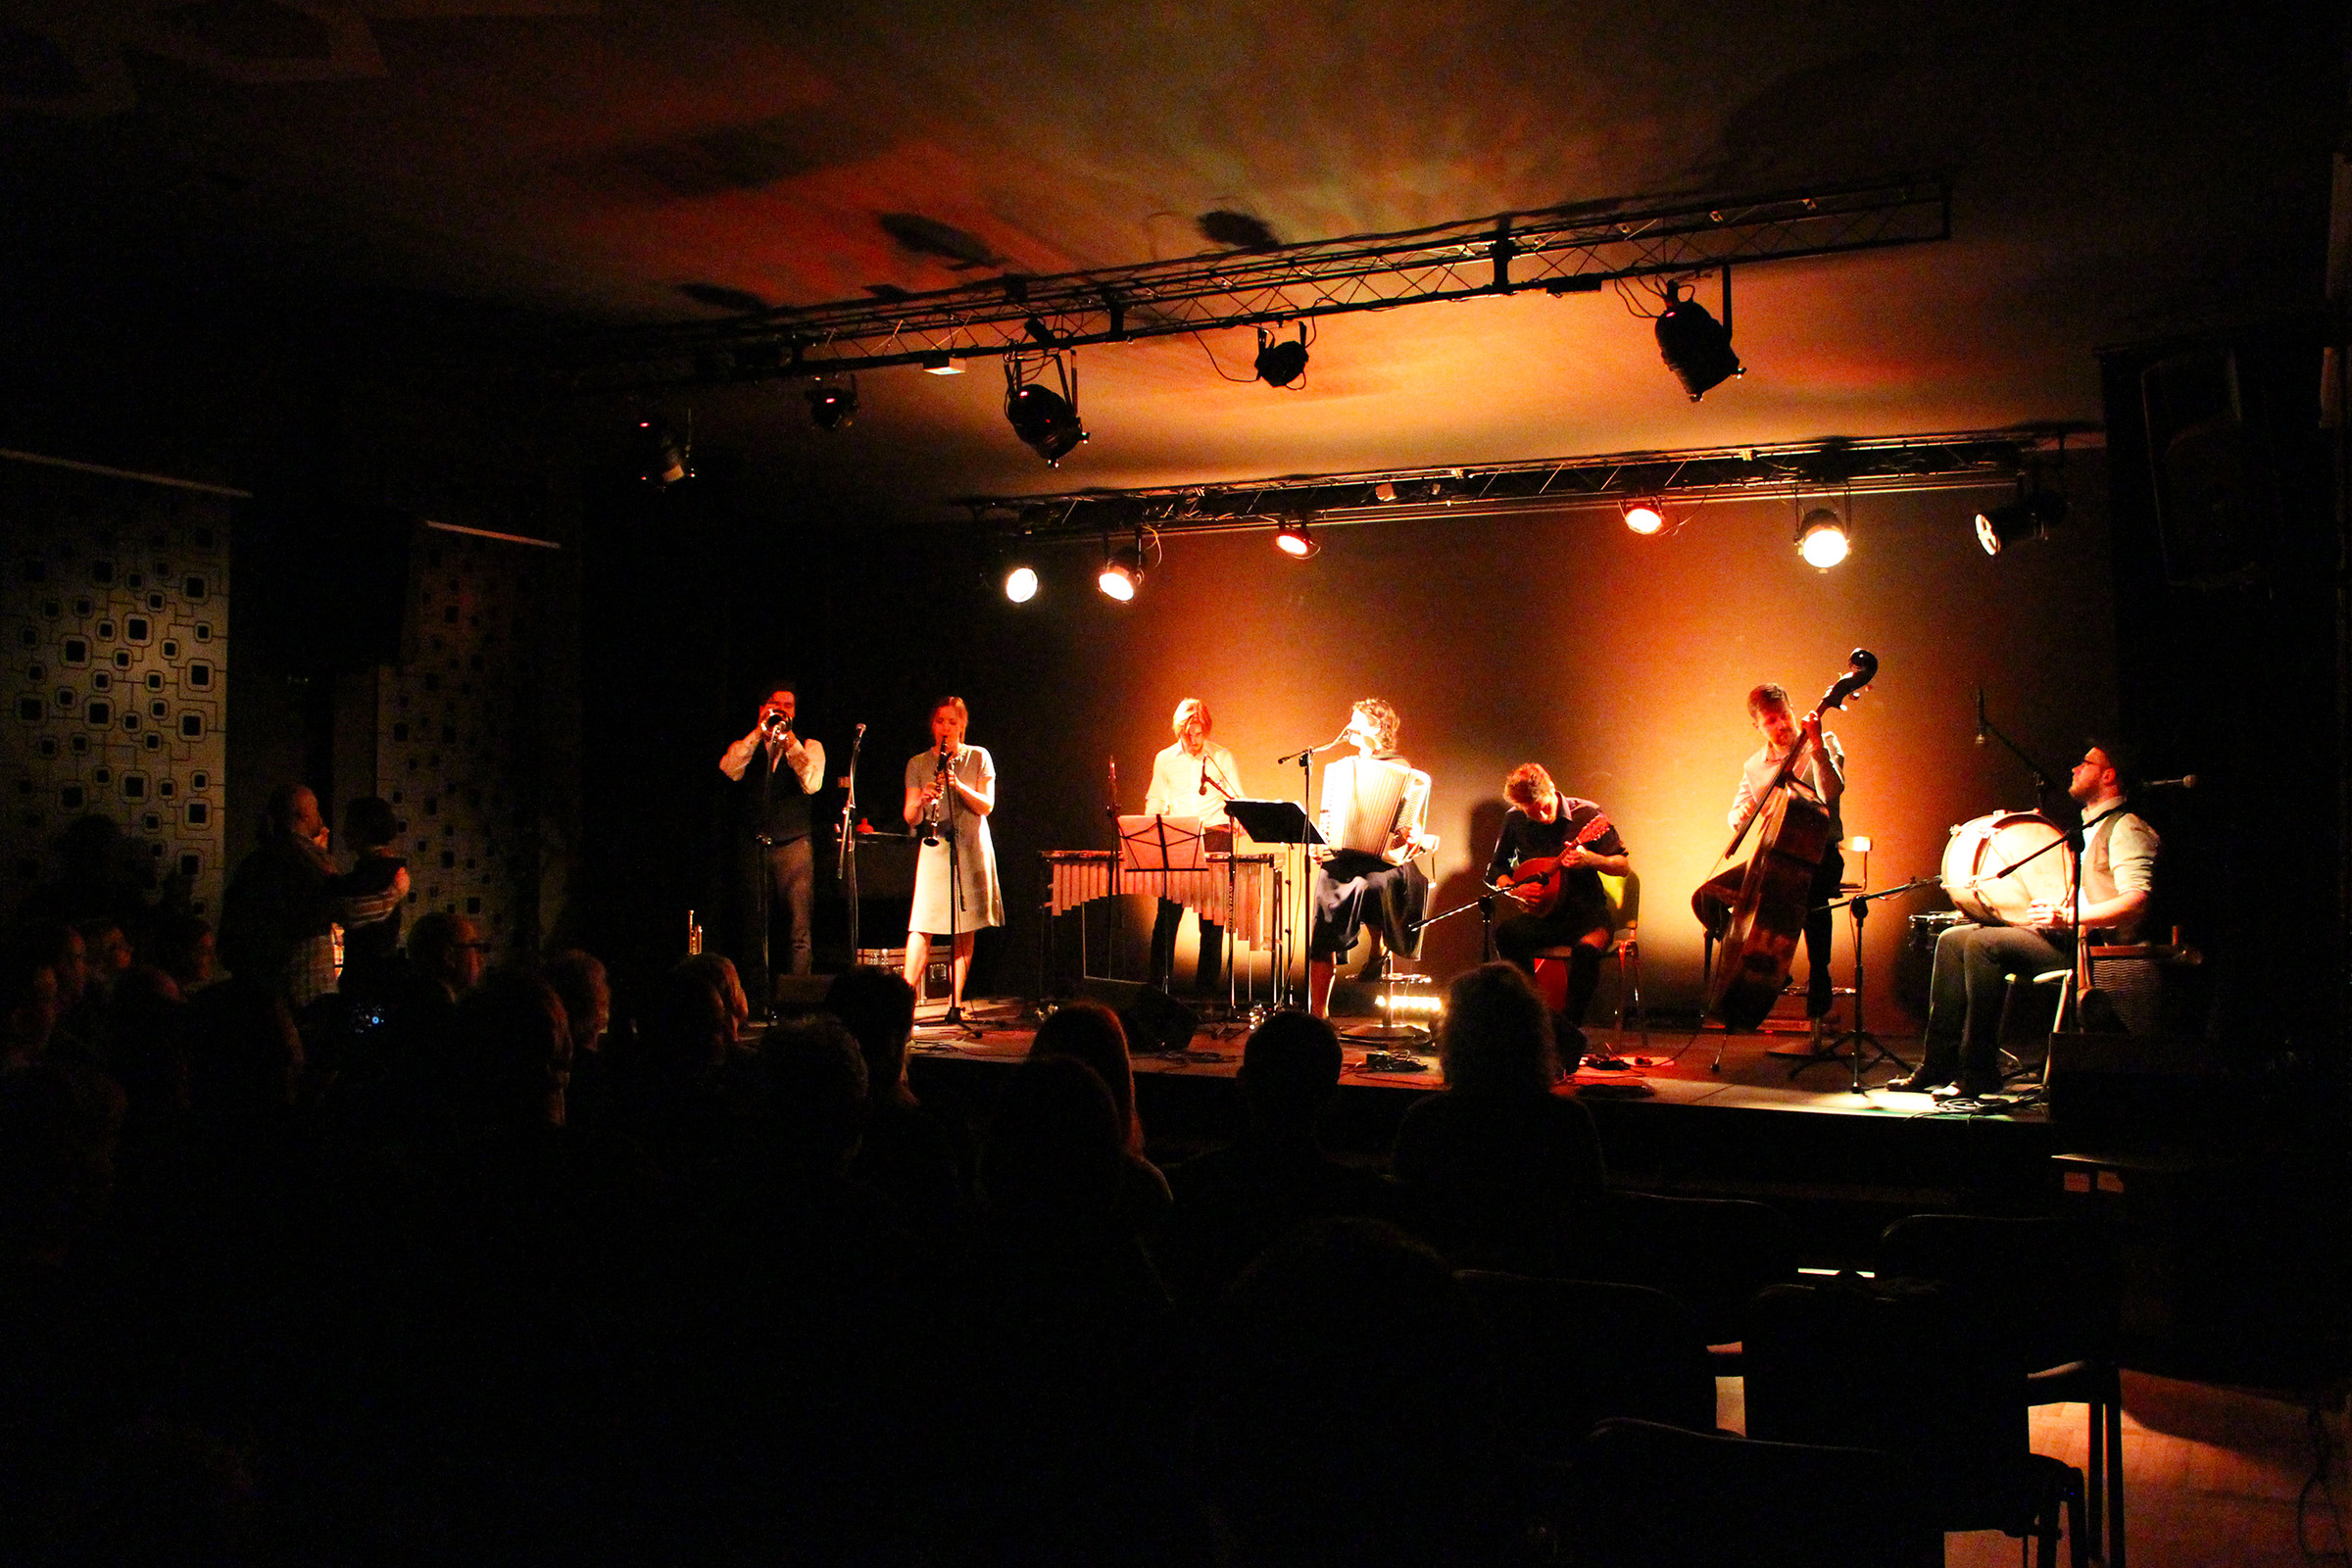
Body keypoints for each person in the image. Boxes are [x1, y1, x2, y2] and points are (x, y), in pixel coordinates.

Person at [1887, 741, 2158, 1100]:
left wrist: (2068, 916)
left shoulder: (2127, 829)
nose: (2075, 768)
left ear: (2109, 776)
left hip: (2094, 952)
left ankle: (1979, 1071)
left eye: (2086, 763)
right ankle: (1938, 1063)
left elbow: (2137, 902)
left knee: (1983, 944)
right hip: (2065, 937)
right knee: (1952, 939)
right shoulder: (2086, 828)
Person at [1691, 682, 1847, 1031]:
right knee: (1704, 899)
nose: (1781, 725)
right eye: (1770, 721)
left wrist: (1817, 746)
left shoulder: (1823, 742)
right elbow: (1736, 814)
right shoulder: (1754, 766)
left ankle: (1819, 991)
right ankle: (1763, 961)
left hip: (1821, 854)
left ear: (1792, 710)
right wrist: (1740, 815)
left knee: (1808, 893)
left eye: (1784, 716)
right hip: (1775, 858)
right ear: (1757, 726)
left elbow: (1831, 791)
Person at [217, 785, 408, 1016]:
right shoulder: (308, 859)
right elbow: (348, 909)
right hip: (308, 990)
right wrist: (395, 892)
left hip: (267, 990)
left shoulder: (256, 860)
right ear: (303, 814)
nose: (323, 819)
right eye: (316, 809)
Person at [1486, 762, 1631, 1059]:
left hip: (1588, 914)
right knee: (1507, 935)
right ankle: (1534, 1019)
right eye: (1531, 813)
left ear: (1551, 789)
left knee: (1586, 952)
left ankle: (1569, 1032)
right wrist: (1514, 889)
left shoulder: (1588, 814)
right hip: (1545, 915)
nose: (1541, 816)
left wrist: (1590, 859)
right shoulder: (1514, 820)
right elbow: (1495, 870)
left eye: (1544, 807)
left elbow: (1623, 866)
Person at [1307, 699, 1436, 1018]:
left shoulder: (1401, 768)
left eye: (1357, 719)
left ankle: (1379, 945)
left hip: (1383, 859)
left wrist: (1411, 834)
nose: (1349, 724)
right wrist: (1321, 843)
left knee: (1375, 884)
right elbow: (1330, 817)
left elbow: (1410, 824)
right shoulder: (1342, 770)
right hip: (1344, 856)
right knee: (1324, 915)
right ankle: (1319, 1015)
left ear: (1377, 727)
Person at [718, 682, 828, 1010]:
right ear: (761, 708)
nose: (780, 709)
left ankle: (798, 1002)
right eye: (773, 703)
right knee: (755, 927)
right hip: (755, 844)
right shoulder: (748, 745)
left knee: (798, 929)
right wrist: (759, 733)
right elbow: (729, 770)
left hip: (794, 845)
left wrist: (789, 743)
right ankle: (758, 1001)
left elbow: (812, 783)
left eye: (787, 705)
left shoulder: (810, 745)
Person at [901, 696, 1003, 1021]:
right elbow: (910, 817)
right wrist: (922, 799)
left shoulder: (978, 756)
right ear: (933, 725)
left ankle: (955, 1004)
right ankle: (902, 1003)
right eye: (940, 721)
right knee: (922, 924)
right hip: (935, 844)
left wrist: (957, 785)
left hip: (971, 845)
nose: (946, 727)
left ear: (962, 726)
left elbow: (986, 805)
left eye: (952, 722)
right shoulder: (918, 763)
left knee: (964, 925)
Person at [1143, 698, 1242, 998]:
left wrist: (1239, 819)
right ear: (1179, 731)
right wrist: (1148, 832)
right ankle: (1156, 992)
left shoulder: (1221, 757)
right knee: (1166, 920)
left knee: (1211, 922)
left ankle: (1206, 996)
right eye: (1189, 734)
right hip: (1179, 836)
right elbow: (1156, 799)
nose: (1195, 740)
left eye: (1199, 733)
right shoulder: (1165, 759)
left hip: (1215, 836)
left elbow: (1236, 798)